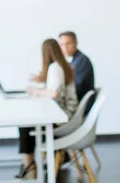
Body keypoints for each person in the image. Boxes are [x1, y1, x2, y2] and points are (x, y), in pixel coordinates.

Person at [16, 38, 78, 180]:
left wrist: (33, 90)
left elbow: (55, 93)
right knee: (27, 123)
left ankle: (29, 164)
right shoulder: (61, 65)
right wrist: (43, 82)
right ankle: (29, 163)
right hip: (67, 114)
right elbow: (56, 89)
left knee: (25, 123)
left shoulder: (55, 67)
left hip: (63, 117)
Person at [30, 31, 95, 104]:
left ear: (75, 43)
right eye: (62, 45)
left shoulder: (81, 61)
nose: (65, 47)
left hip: (79, 104)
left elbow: (75, 87)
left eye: (68, 44)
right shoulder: (68, 61)